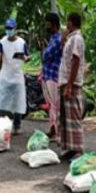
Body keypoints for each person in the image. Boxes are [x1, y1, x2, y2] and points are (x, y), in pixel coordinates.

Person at [0, 18, 28, 135]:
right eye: (7, 28)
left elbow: (26, 56)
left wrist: (25, 58)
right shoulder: (2, 42)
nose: (8, 31)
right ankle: (2, 125)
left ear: (15, 29)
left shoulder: (22, 43)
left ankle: (17, 125)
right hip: (6, 76)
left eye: (10, 28)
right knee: (2, 101)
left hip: (17, 76)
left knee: (18, 102)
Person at [58, 12, 86, 161]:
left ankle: (78, 149)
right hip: (66, 82)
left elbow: (75, 61)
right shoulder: (71, 39)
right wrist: (63, 40)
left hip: (72, 83)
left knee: (73, 117)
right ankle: (70, 147)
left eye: (67, 22)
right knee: (65, 118)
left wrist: (69, 85)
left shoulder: (77, 39)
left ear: (70, 22)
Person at [41, 13, 63, 141]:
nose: (46, 27)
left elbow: (46, 55)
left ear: (54, 25)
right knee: (52, 104)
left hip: (53, 75)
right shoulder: (53, 38)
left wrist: (44, 52)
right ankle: (53, 127)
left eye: (48, 24)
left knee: (55, 104)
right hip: (48, 74)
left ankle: (56, 130)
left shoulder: (57, 40)